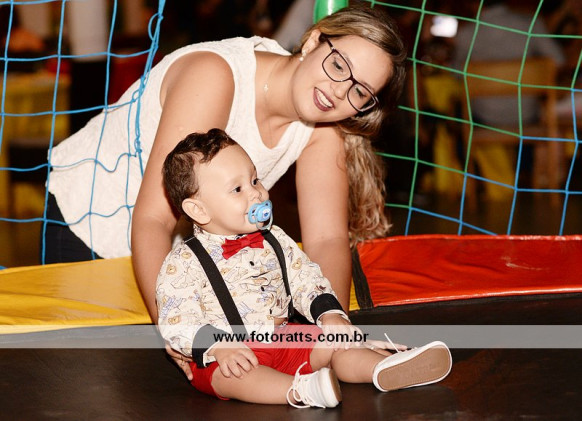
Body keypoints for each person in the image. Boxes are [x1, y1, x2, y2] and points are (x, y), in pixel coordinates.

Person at [44, 4, 406, 374]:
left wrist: (333, 325)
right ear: (313, 41)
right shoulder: (216, 77)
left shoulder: (322, 128)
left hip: (180, 257)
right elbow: (154, 218)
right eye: (339, 65)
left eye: (360, 91)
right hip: (89, 225)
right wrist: (182, 335)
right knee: (96, 382)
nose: (338, 91)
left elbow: (327, 239)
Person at [156, 129, 452, 408]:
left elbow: (305, 278)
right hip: (231, 353)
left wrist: (330, 314)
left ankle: (384, 367)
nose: (256, 194)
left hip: (286, 337)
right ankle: (301, 390)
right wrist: (218, 347)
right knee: (234, 376)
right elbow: (177, 318)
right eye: (237, 188)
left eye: (255, 180)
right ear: (198, 210)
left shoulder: (274, 238)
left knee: (336, 343)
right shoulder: (183, 262)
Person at [451, 0, 565, 198]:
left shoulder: (466, 33)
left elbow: (456, 73)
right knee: (537, 111)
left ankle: (476, 180)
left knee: (453, 113)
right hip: (526, 114)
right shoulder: (530, 23)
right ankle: (526, 173)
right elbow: (558, 60)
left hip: (483, 117)